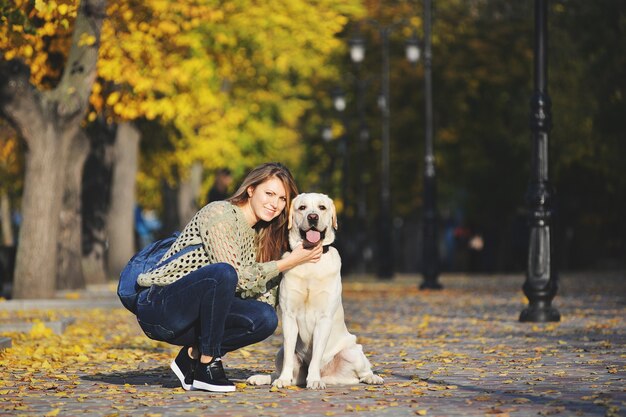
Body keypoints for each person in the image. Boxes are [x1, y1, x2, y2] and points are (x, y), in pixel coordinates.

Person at [134, 162, 323, 393]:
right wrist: (289, 262)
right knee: (223, 272)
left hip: (196, 318)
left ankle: (191, 356)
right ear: (251, 190)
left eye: (282, 199)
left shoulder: (262, 236)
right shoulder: (219, 214)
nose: (275, 204)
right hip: (161, 306)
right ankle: (207, 365)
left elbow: (259, 297)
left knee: (265, 318)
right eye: (269, 194)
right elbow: (238, 278)